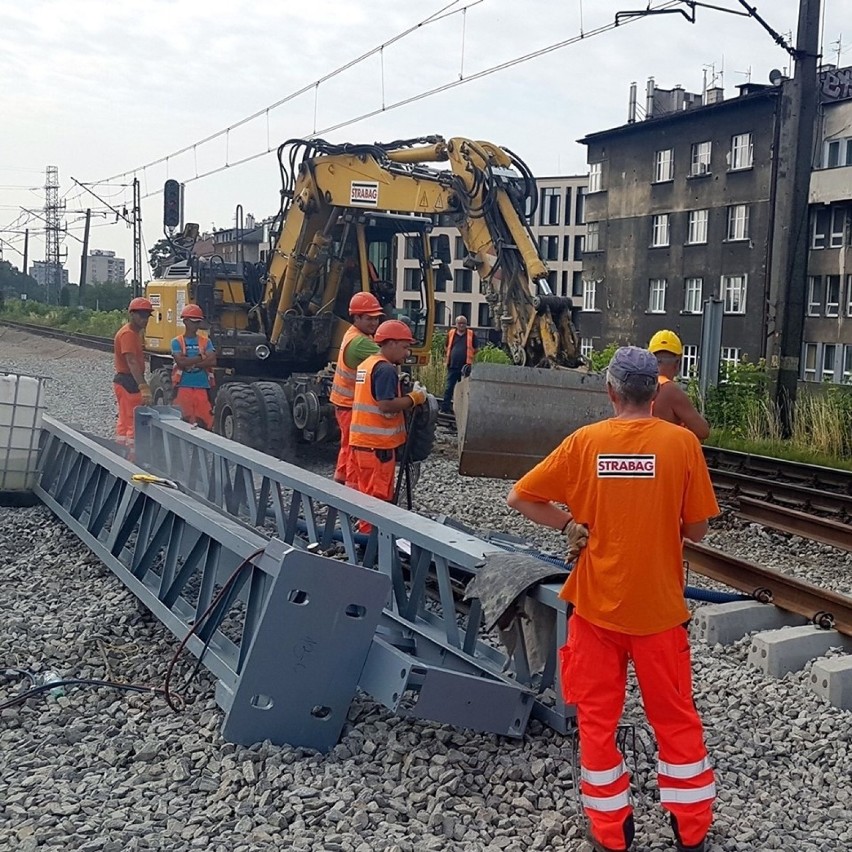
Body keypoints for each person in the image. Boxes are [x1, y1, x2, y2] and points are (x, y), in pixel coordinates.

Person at [507, 346, 719, 852]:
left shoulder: (586, 443)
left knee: (599, 723)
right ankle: (691, 831)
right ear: (655, 392)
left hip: (596, 610)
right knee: (676, 720)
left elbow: (521, 496)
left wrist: (570, 524)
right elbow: (699, 530)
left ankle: (611, 834)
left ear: (611, 391)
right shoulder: (682, 445)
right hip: (660, 612)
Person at [348, 319, 427, 531]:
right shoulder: (385, 370)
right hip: (378, 447)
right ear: (390, 343)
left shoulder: (368, 364)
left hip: (362, 444)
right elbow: (385, 404)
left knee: (365, 495)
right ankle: (370, 543)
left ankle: (363, 534)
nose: (407, 352)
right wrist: (414, 398)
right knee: (378, 498)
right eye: (404, 347)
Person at [329, 291, 383, 483]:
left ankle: (340, 479)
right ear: (356, 317)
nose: (374, 323)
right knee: (355, 448)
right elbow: (388, 358)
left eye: (376, 318)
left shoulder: (352, 334)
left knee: (347, 445)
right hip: (350, 404)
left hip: (344, 403)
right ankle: (351, 492)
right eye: (369, 318)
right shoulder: (361, 342)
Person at [648, 330, 710, 441]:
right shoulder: (670, 390)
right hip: (663, 452)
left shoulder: (641, 383)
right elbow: (703, 431)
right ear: (678, 363)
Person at [113, 296, 154, 455]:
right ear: (132, 314)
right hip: (128, 382)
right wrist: (143, 386)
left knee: (124, 421)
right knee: (132, 421)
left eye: (147, 315)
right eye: (141, 315)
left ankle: (121, 452)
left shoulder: (132, 333)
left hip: (124, 382)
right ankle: (131, 456)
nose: (145, 319)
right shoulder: (128, 334)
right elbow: (132, 362)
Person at [171, 304, 217, 429]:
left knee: (205, 422)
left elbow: (212, 360)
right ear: (185, 321)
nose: (196, 326)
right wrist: (201, 357)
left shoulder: (205, 341)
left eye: (198, 322)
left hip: (202, 386)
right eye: (193, 322)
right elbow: (181, 362)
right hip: (183, 386)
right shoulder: (177, 342)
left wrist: (192, 363)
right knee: (182, 421)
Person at [441, 315, 477, 413]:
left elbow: (476, 348)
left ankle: (462, 409)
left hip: (465, 367)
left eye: (463, 323)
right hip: (452, 366)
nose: (461, 325)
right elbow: (446, 346)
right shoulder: (451, 333)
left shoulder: (471, 334)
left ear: (466, 324)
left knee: (464, 390)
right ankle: (445, 408)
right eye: (459, 323)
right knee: (449, 388)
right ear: (456, 324)